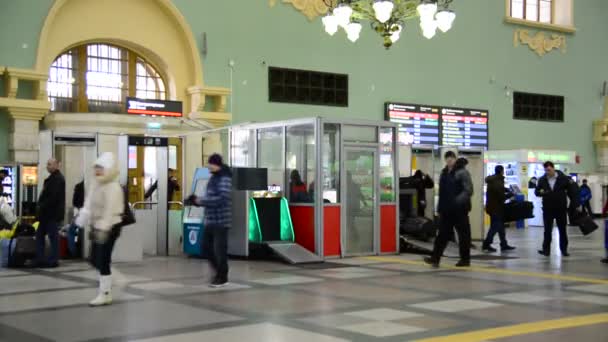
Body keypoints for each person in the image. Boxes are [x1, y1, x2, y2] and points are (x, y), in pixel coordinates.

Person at [76, 153, 124, 306]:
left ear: (108, 169)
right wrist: (83, 217)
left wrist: (105, 227)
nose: (97, 171)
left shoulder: (113, 186)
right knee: (94, 258)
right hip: (98, 226)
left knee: (102, 258)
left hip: (111, 226)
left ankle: (105, 293)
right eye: (96, 168)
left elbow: (110, 209)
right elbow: (89, 203)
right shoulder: (96, 184)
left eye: (101, 168)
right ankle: (114, 280)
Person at [188, 154, 232, 287]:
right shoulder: (214, 178)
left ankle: (222, 276)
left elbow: (221, 199)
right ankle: (219, 272)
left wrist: (200, 201)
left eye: (210, 163)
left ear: (216, 164)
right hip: (210, 220)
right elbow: (210, 196)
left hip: (221, 221)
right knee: (205, 248)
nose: (208, 166)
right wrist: (196, 200)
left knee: (220, 250)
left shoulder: (224, 178)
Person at [424, 152, 473, 268]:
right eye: (447, 159)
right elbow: (442, 192)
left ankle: (465, 260)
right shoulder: (444, 173)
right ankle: (435, 258)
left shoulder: (462, 172)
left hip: (460, 210)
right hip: (446, 210)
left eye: (451, 158)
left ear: (455, 159)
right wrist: (440, 208)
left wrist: (456, 201)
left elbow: (468, 190)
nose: (449, 161)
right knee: (442, 235)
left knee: (463, 235)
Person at [535, 161, 579, 257]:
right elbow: (537, 192)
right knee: (547, 230)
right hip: (547, 209)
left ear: (553, 168)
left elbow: (572, 191)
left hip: (561, 208)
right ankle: (546, 250)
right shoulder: (542, 180)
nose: (548, 172)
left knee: (562, 230)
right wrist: (543, 192)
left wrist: (575, 204)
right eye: (546, 170)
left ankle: (564, 250)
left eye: (549, 170)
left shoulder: (563, 178)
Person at [36, 158, 66, 268]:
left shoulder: (57, 179)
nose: (47, 166)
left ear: (56, 165)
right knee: (40, 236)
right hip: (46, 214)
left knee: (53, 237)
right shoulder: (52, 178)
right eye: (47, 164)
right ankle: (41, 259)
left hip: (51, 214)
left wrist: (42, 205)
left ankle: (53, 260)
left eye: (49, 164)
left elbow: (53, 197)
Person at [482, 165, 516, 252]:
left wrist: (506, 189)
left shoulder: (493, 180)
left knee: (500, 226)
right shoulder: (498, 181)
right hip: (496, 208)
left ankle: (503, 244)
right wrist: (511, 194)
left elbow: (499, 189)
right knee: (495, 226)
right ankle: (486, 244)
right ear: (502, 171)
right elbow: (501, 196)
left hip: (491, 207)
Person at [67, 180, 85, 256]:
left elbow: (74, 202)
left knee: (71, 231)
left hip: (80, 213)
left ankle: (73, 252)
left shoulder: (79, 186)